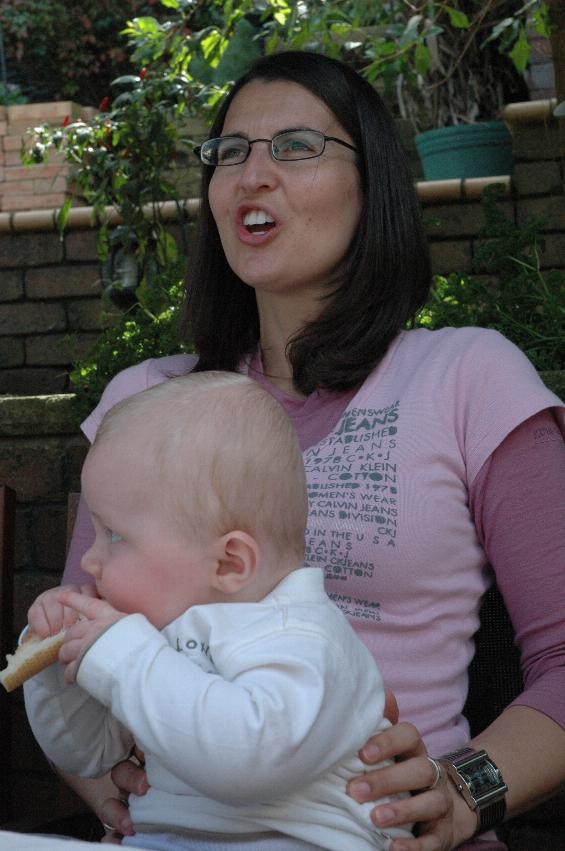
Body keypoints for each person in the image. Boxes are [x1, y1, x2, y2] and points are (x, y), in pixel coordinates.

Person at [27, 49, 565, 851]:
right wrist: (96, 776)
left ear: (371, 181)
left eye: (294, 146)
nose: (252, 173)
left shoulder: (466, 376)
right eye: (229, 152)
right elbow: (73, 642)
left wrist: (462, 789)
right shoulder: (147, 400)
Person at [24, 371, 413, 851]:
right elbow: (87, 752)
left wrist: (126, 659)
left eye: (116, 536)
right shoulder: (158, 635)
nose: (89, 559)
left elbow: (248, 759)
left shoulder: (305, 638)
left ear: (230, 563)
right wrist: (58, 667)